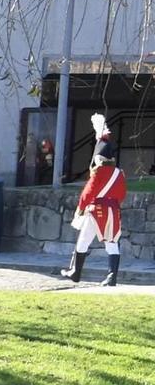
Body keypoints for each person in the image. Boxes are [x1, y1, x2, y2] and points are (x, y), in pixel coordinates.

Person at [62, 113, 126, 286]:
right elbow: (122, 195)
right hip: (113, 210)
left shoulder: (98, 172)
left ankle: (76, 272)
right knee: (112, 243)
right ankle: (112, 277)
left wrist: (79, 210)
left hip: (95, 210)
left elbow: (88, 192)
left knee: (83, 241)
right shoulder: (119, 173)